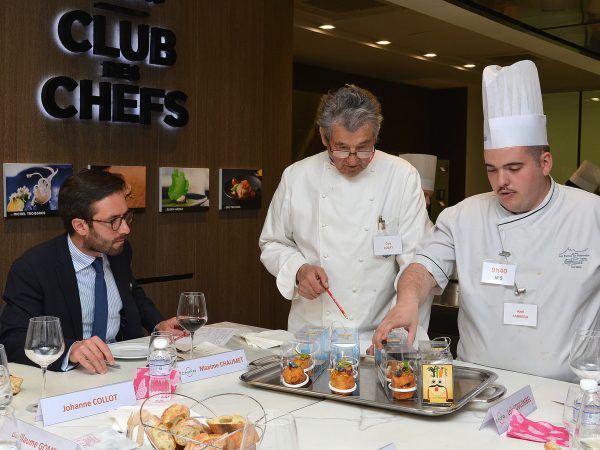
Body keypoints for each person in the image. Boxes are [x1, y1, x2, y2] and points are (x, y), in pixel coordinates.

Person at [373, 60, 600, 381]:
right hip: (477, 386)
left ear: (545, 162)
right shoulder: (462, 216)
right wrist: (407, 302)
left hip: (563, 394)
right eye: (491, 169)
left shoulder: (592, 215)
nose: (501, 181)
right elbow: (422, 267)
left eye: (514, 168)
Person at [259, 84, 432, 352]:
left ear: (376, 136)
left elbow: (417, 258)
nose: (352, 160)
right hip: (313, 337)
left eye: (363, 148)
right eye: (341, 149)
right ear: (324, 137)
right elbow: (272, 243)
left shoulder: (401, 176)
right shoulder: (297, 177)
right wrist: (298, 270)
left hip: (379, 335)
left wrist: (398, 327)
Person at [0, 170, 183, 374]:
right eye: (113, 221)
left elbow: (132, 295)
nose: (125, 229)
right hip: (69, 378)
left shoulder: (118, 251)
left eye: (125, 217)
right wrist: (70, 350)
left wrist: (158, 325)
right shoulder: (34, 268)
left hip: (122, 369)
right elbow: (13, 337)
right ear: (80, 226)